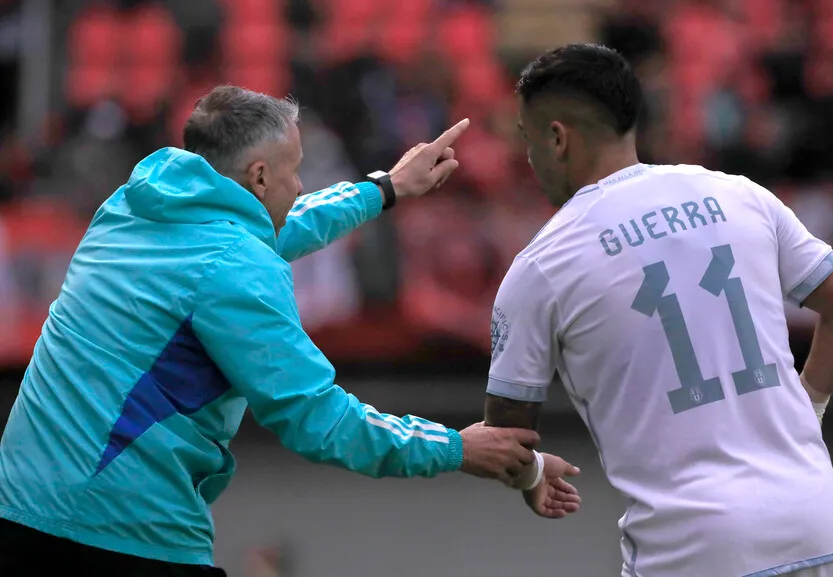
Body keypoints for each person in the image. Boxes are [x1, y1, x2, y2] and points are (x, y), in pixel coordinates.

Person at [0, 85, 580, 576]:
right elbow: (317, 420)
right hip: (118, 527)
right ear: (258, 176)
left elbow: (266, 230)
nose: (300, 185)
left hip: (21, 504)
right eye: (293, 171)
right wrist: (457, 448)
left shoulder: (133, 207)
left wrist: (384, 189)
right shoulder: (235, 268)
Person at [482, 44, 833, 577]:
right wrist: (806, 408)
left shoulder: (543, 264)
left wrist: (530, 476)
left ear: (557, 138)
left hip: (691, 549)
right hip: (815, 525)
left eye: (529, 140)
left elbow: (505, 439)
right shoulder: (741, 196)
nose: (529, 158)